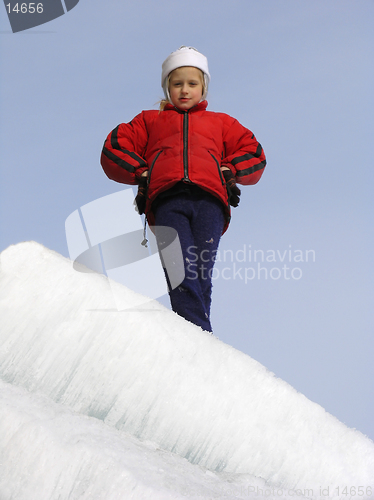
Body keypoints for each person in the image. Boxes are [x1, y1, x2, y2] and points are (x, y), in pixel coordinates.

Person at [101, 46, 266, 333]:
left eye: (192, 83)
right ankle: (200, 337)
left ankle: (195, 336)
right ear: (167, 87)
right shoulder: (149, 121)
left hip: (209, 203)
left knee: (201, 274)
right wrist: (141, 172)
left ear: (204, 87)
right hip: (168, 201)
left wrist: (231, 170)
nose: (185, 90)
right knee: (181, 271)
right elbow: (114, 147)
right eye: (177, 84)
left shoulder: (221, 123)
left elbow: (254, 153)